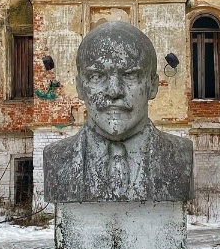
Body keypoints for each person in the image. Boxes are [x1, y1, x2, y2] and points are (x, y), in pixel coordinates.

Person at [44, 21, 193, 202]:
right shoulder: (57, 158)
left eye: (130, 75)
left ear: (152, 86)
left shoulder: (179, 156)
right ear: (80, 87)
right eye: (97, 76)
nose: (114, 91)